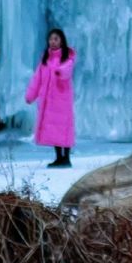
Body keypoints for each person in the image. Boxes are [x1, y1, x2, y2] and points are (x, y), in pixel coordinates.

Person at [25, 27, 76, 168]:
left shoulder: (67, 57)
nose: (53, 42)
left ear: (61, 41)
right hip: (48, 100)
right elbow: (37, 78)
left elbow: (67, 69)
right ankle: (59, 157)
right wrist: (31, 95)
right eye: (51, 39)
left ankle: (66, 157)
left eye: (56, 39)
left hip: (61, 100)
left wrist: (60, 72)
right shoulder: (46, 59)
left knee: (63, 128)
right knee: (54, 129)